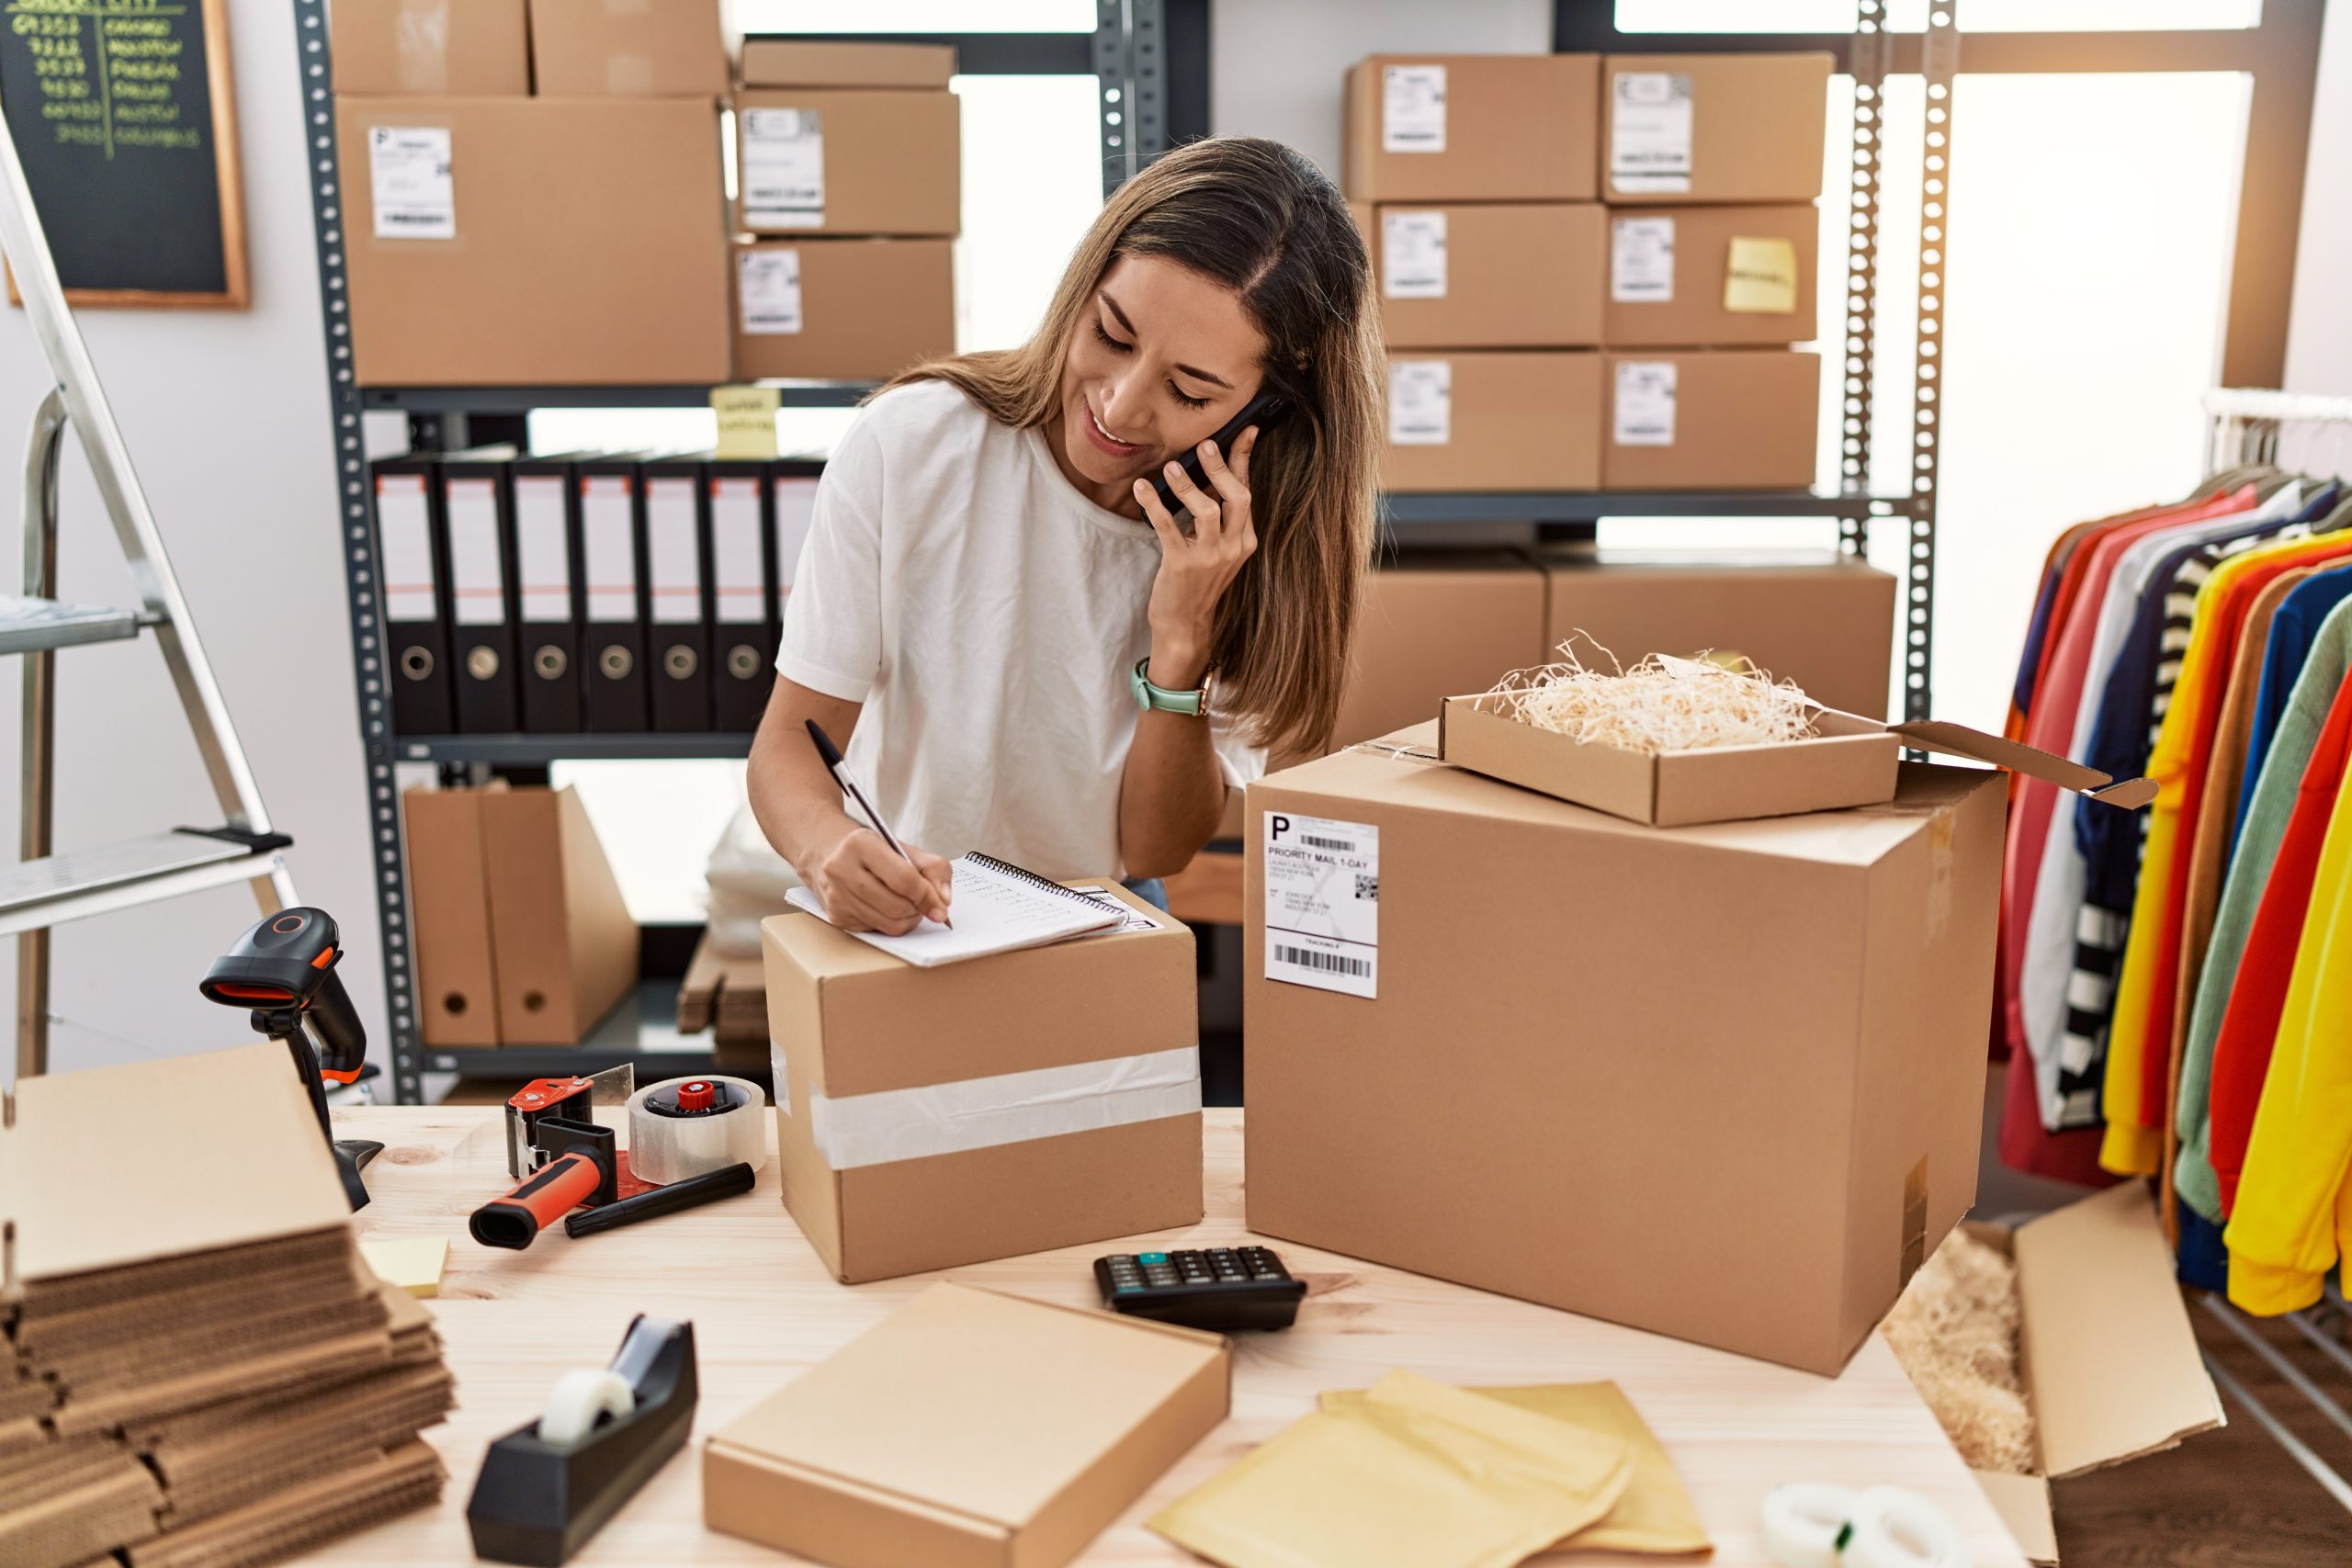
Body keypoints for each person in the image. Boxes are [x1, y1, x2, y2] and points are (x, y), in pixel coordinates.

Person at [744, 136, 1381, 934]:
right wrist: (825, 846)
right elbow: (786, 750)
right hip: (910, 925)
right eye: (1112, 335)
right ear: (1082, 286)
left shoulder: (1251, 542)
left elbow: (1154, 846)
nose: (1118, 407)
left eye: (1189, 391)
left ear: (1268, 413)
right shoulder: (911, 442)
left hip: (1104, 918)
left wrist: (1183, 636)